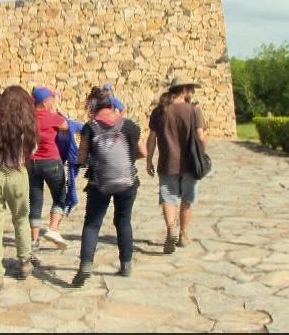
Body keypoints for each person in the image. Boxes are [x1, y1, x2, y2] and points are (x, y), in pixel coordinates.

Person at [72, 87, 146, 287]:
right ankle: (126, 264)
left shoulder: (90, 127)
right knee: (123, 221)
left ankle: (86, 265)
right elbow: (143, 153)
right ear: (113, 106)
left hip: (99, 182)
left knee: (92, 224)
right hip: (127, 182)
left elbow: (81, 157)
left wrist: (95, 159)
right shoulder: (130, 126)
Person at [0, 85, 38, 291]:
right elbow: (34, 149)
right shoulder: (26, 121)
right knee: (21, 219)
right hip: (17, 174)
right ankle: (24, 262)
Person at [146, 77, 207, 254]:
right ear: (184, 90)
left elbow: (151, 139)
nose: (193, 92)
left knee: (168, 198)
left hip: (167, 163)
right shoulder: (194, 111)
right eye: (191, 89)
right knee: (187, 200)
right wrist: (203, 155)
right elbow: (201, 137)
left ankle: (171, 228)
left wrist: (149, 159)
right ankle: (183, 234)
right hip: (190, 163)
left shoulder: (159, 111)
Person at [29, 87, 70, 251]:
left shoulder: (28, 118)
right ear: (45, 102)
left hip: (32, 163)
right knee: (61, 197)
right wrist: (56, 111)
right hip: (52, 162)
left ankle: (34, 241)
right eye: (52, 99)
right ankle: (53, 229)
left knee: (35, 201)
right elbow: (66, 125)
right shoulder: (52, 117)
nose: (54, 101)